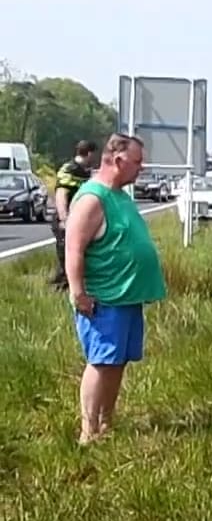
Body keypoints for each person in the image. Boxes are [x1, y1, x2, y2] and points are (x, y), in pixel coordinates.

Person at [63, 134, 167, 444]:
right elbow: (74, 248)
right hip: (104, 298)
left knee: (117, 362)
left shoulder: (119, 195)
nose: (141, 167)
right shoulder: (92, 199)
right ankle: (88, 432)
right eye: (137, 162)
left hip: (126, 297)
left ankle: (106, 423)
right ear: (118, 161)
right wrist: (78, 292)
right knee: (101, 361)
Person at [49, 138, 98, 290]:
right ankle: (62, 286)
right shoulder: (69, 169)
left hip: (79, 219)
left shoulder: (85, 171)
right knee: (66, 253)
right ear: (89, 153)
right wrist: (64, 219)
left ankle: (69, 284)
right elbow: (61, 194)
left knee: (79, 253)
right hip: (67, 219)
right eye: (94, 154)